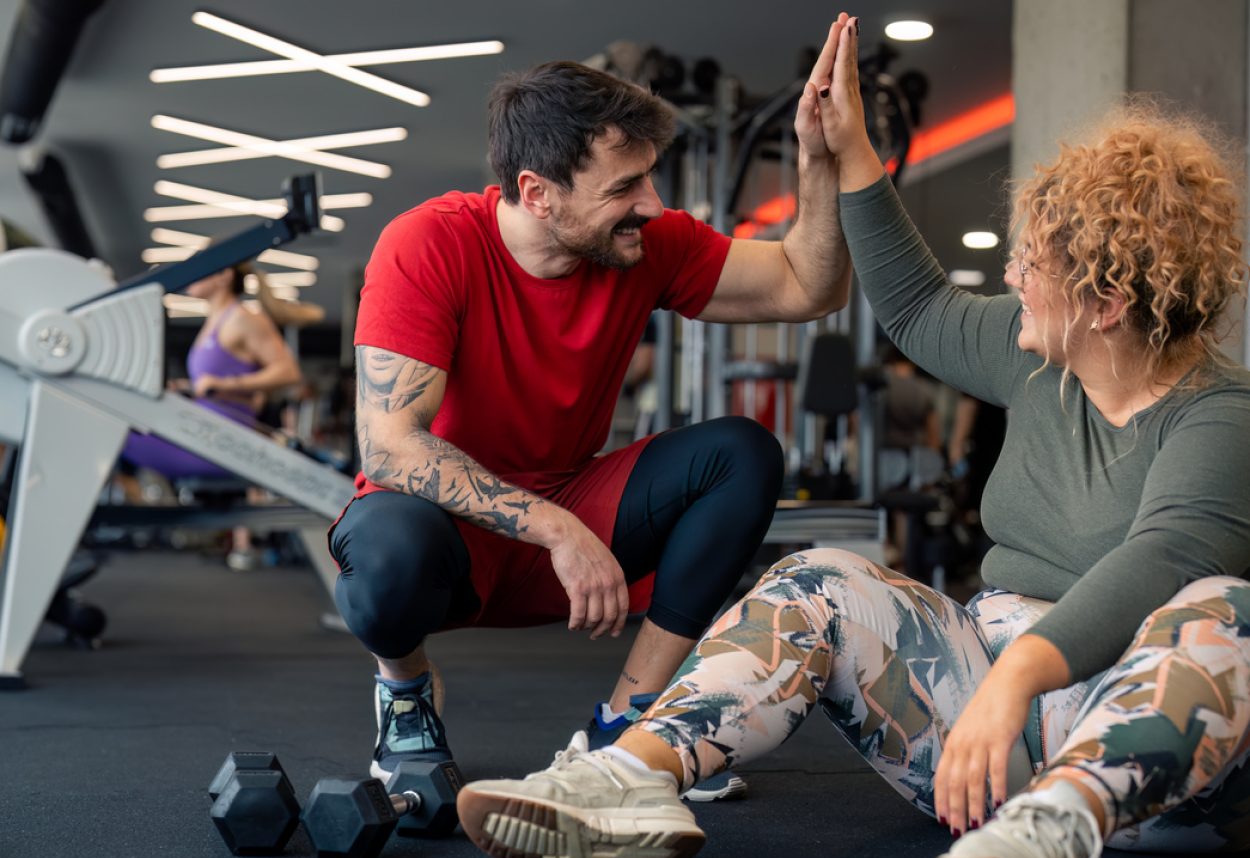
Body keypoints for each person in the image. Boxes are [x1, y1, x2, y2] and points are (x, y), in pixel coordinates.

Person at [456, 14, 1250, 858]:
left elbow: (1157, 560)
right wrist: (850, 154)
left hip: (1160, 766)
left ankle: (1056, 829)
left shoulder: (1221, 416)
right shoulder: (1037, 358)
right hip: (993, 742)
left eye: (1033, 265)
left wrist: (1013, 682)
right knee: (818, 578)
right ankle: (628, 778)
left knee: (1223, 607)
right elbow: (915, 305)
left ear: (1108, 304)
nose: (1010, 275)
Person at [330, 25, 854, 801]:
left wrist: (818, 162)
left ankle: (628, 722)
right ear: (538, 192)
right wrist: (556, 529)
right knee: (386, 555)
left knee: (741, 454)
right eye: (623, 188)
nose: (651, 202)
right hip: (446, 528)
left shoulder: (646, 244)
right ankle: (405, 695)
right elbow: (391, 450)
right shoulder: (429, 244)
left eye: (648, 177)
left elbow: (808, 288)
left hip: (576, 496)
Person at [120, 263, 312, 568]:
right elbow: (213, 384)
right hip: (201, 429)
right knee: (112, 420)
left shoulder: (242, 318)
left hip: (219, 440)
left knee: (114, 428)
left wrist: (225, 384)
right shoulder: (215, 320)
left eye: (201, 268)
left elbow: (288, 372)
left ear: (223, 275)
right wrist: (189, 388)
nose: (191, 275)